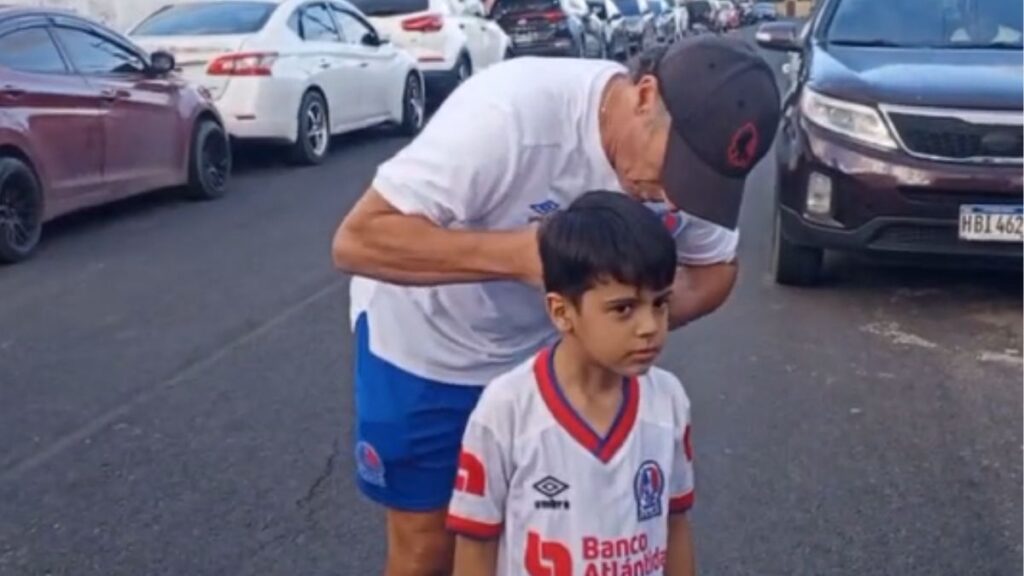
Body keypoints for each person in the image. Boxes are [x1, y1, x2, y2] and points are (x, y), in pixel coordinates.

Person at [333, 35, 780, 576]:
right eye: (675, 170)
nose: (676, 198)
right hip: (427, 347)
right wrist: (516, 255)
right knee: (431, 545)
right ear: (644, 97)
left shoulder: (688, 171)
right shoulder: (509, 116)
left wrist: (614, 332)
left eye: (700, 184)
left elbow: (715, 270)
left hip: (546, 363)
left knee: (552, 532)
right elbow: (358, 240)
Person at [447, 190, 696, 576]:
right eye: (624, 309)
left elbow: (675, 524)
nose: (649, 327)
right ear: (562, 312)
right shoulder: (507, 409)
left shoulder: (669, 402)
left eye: (660, 303)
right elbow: (476, 544)